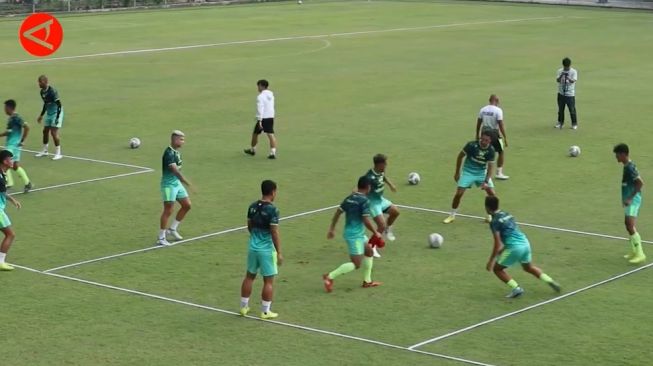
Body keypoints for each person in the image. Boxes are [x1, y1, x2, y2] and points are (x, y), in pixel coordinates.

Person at [485, 196, 561, 298]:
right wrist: (502, 250)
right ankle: (549, 280)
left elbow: (497, 243)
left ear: (487, 208)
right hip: (525, 243)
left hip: (514, 248)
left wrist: (491, 260)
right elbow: (511, 234)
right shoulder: (508, 214)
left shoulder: (494, 222)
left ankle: (516, 288)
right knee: (528, 267)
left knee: (497, 269)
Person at [323, 176, 383, 292]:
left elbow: (338, 212)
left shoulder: (349, 198)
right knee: (356, 264)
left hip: (357, 234)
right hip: (354, 236)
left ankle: (367, 281)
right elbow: (365, 220)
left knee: (369, 252)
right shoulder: (364, 201)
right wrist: (376, 232)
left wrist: (332, 228)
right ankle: (329, 277)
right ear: (368, 187)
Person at [239, 180, 283, 319]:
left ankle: (243, 307)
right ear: (273, 192)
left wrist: (255, 238)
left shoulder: (252, 206)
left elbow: (249, 225)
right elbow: (274, 232)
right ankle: (265, 311)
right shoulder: (273, 210)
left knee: (249, 276)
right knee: (268, 281)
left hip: (253, 247)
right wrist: (279, 252)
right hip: (266, 250)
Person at [443, 131, 496, 224]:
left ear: (490, 141)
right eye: (482, 139)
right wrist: (457, 173)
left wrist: (486, 181)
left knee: (492, 194)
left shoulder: (491, 150)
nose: (483, 142)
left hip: (481, 173)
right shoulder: (471, 145)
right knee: (459, 193)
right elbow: (460, 157)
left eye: (486, 140)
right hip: (468, 172)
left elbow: (490, 168)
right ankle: (452, 215)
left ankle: (489, 215)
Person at [157, 130, 193, 246]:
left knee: (187, 205)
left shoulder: (176, 152)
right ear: (175, 140)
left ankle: (172, 229)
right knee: (168, 210)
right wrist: (185, 181)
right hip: (168, 185)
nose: (183, 142)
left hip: (176, 184)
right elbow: (174, 170)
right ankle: (161, 237)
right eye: (181, 139)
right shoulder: (169, 153)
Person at [613, 144, 646, 264]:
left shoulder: (630, 167)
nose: (616, 157)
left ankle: (640, 253)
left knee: (630, 225)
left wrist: (630, 198)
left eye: (617, 154)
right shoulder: (626, 166)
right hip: (629, 200)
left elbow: (640, 183)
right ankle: (634, 250)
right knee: (627, 225)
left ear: (622, 154)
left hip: (634, 200)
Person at [364, 153, 400, 257]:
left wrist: (391, 185)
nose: (386, 165)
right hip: (372, 203)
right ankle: (372, 246)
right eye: (385, 163)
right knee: (381, 225)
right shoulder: (369, 177)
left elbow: (384, 177)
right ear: (379, 164)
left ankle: (388, 229)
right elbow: (362, 190)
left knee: (395, 212)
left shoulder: (381, 171)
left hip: (380, 200)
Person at [0, 100, 32, 193]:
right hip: (15, 146)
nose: (4, 110)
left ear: (9, 108)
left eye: (5, 108)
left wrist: (23, 140)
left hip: (12, 145)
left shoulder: (16, 117)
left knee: (3, 162)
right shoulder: (12, 118)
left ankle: (8, 183)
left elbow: (27, 127)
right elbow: (9, 132)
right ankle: (27, 183)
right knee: (14, 165)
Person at [476, 94, 509, 180]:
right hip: (494, 134)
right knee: (501, 151)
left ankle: (483, 172)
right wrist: (505, 137)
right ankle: (499, 172)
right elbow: (500, 124)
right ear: (497, 101)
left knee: (485, 151)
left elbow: (479, 122)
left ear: (489, 100)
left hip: (484, 133)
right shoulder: (498, 110)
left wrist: (477, 134)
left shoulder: (482, 109)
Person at [0, 150, 22, 271]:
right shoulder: (1, 178)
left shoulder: (2, 174)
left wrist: (13, 200)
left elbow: (2, 193)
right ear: (5, 161)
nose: (12, 161)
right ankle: (1, 262)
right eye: (10, 159)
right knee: (10, 234)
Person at [244, 79, 277, 159]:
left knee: (256, 134)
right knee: (270, 134)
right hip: (270, 116)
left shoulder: (260, 97)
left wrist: (259, 120)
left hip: (263, 118)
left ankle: (253, 150)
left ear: (261, 86)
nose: (257, 88)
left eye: (258, 86)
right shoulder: (271, 95)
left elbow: (260, 109)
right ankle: (272, 152)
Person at [35, 75, 64, 160]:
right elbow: (46, 104)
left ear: (45, 82)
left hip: (56, 112)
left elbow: (59, 105)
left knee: (53, 132)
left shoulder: (52, 92)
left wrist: (57, 117)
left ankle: (58, 153)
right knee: (45, 131)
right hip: (49, 113)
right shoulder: (42, 92)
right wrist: (41, 115)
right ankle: (45, 151)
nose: (38, 84)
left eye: (40, 82)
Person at [555, 57, 579, 130]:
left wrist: (568, 77)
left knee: (572, 110)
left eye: (567, 67)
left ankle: (574, 124)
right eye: (565, 67)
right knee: (560, 110)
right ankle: (560, 122)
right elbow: (557, 80)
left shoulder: (574, 71)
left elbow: (573, 81)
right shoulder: (559, 71)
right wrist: (562, 75)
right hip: (561, 93)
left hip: (570, 94)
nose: (566, 68)